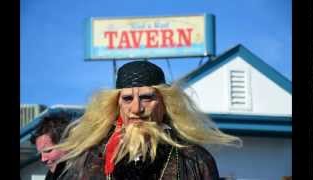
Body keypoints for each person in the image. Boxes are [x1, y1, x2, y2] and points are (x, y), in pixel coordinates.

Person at [52, 60, 242, 180]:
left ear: (165, 103)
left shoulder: (194, 159)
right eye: (127, 99)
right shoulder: (90, 158)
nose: (136, 108)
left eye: (147, 98)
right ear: (117, 105)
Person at [30, 112, 71, 180]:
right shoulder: (52, 175)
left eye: (48, 151)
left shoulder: (85, 173)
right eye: (40, 154)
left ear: (66, 145)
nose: (43, 159)